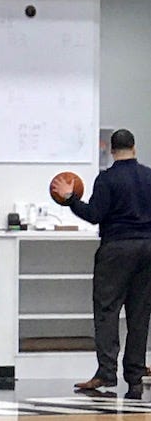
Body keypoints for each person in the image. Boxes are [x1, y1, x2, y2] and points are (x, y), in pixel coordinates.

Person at [54, 128, 151, 398]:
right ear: (134, 147)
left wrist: (70, 198)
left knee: (108, 311)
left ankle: (106, 373)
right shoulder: (149, 175)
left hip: (116, 249)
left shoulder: (107, 179)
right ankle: (134, 376)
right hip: (147, 248)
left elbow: (94, 214)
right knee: (140, 314)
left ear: (110, 150)